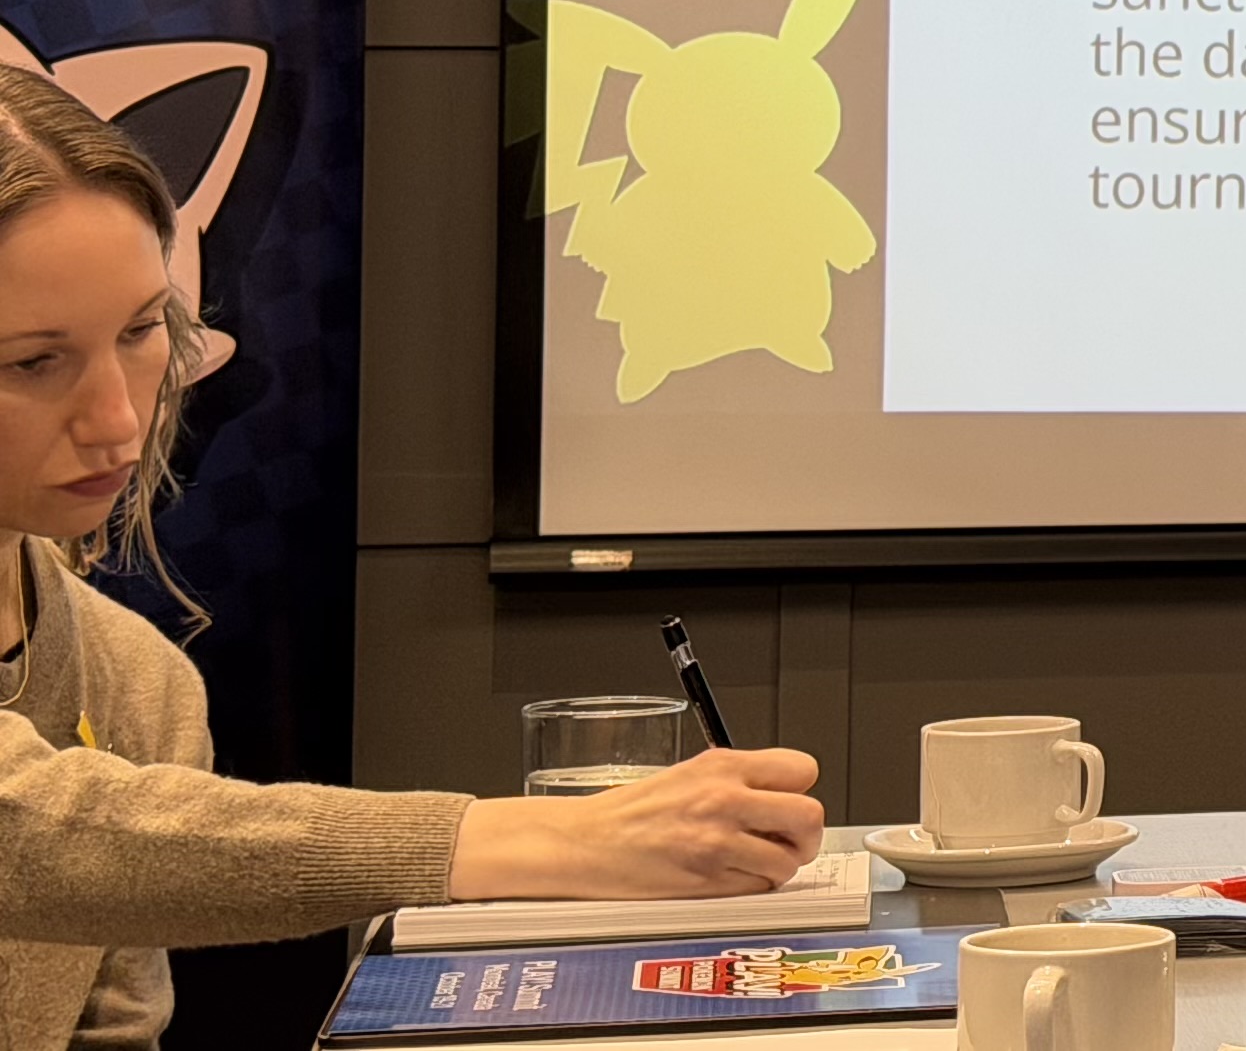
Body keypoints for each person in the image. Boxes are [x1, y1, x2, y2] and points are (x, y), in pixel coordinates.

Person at [0, 66, 827, 1051]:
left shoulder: (137, 684)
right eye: (34, 362)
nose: (118, 419)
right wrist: (548, 839)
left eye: (142, 331)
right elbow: (33, 827)